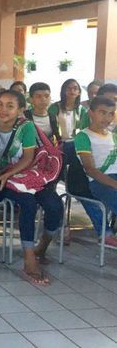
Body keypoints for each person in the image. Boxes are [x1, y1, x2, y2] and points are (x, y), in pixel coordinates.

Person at [0, 90, 63, 285]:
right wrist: (3, 175)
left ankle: (42, 246)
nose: (3, 110)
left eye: (10, 106)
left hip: (29, 174)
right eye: (0, 104)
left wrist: (9, 173)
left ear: (21, 110)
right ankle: (29, 257)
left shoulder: (26, 126)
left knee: (55, 206)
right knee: (28, 204)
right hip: (1, 179)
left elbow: (28, 158)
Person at [74, 96, 117, 248]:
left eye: (111, 113)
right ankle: (106, 235)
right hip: (100, 182)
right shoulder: (83, 136)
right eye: (102, 112)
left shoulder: (114, 136)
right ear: (91, 113)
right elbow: (90, 169)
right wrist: (114, 184)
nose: (107, 118)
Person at [49, 78, 88, 159]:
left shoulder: (81, 109)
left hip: (76, 144)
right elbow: (50, 126)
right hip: (59, 144)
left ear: (79, 92)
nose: (72, 91)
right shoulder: (55, 107)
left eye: (75, 88)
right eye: (69, 88)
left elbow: (85, 128)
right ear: (63, 91)